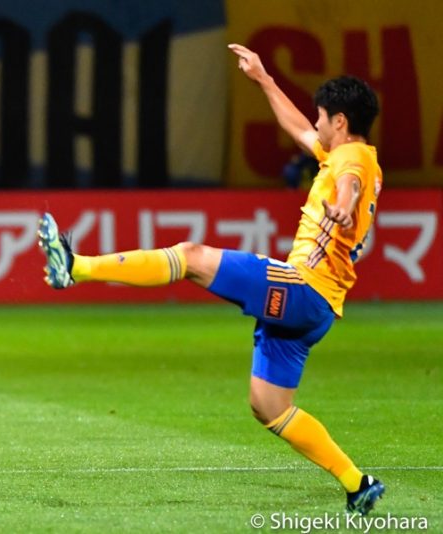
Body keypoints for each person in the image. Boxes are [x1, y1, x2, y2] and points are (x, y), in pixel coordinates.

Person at [37, 44, 385, 516]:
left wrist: (343, 207)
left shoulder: (353, 163)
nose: (315, 123)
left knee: (192, 256)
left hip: (304, 288)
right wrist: (263, 79)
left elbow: (349, 185)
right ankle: (357, 483)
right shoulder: (350, 154)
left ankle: (75, 267)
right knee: (269, 406)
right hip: (319, 309)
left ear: (340, 121)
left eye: (322, 116)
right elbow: (301, 131)